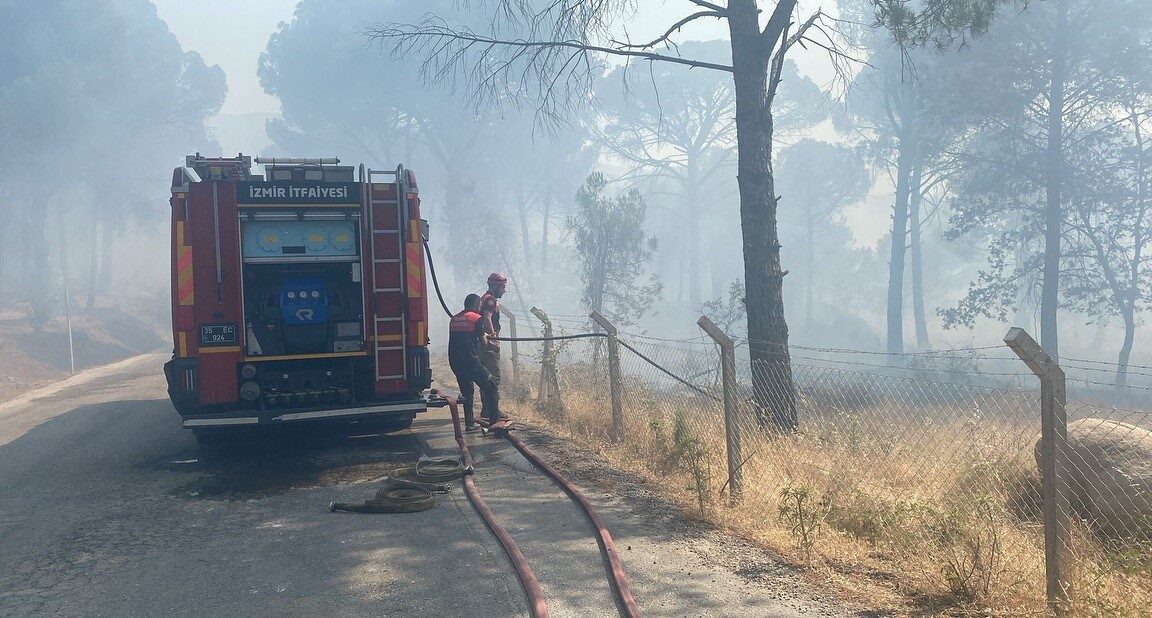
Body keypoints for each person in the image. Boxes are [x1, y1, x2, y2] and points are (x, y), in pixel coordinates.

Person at [448, 294, 499, 429]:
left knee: (467, 391)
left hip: (455, 362)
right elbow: (483, 342)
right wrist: (492, 345)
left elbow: (464, 337)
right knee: (491, 386)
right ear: (477, 305)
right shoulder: (476, 318)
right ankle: (495, 424)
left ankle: (469, 424)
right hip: (470, 361)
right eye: (480, 305)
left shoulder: (454, 318)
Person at [479, 273, 508, 421]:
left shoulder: (485, 298)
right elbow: (487, 319)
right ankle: (493, 411)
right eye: (502, 287)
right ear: (495, 286)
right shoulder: (490, 300)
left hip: (482, 343)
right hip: (488, 344)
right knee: (493, 376)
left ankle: (487, 409)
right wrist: (493, 338)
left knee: (485, 376)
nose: (504, 291)